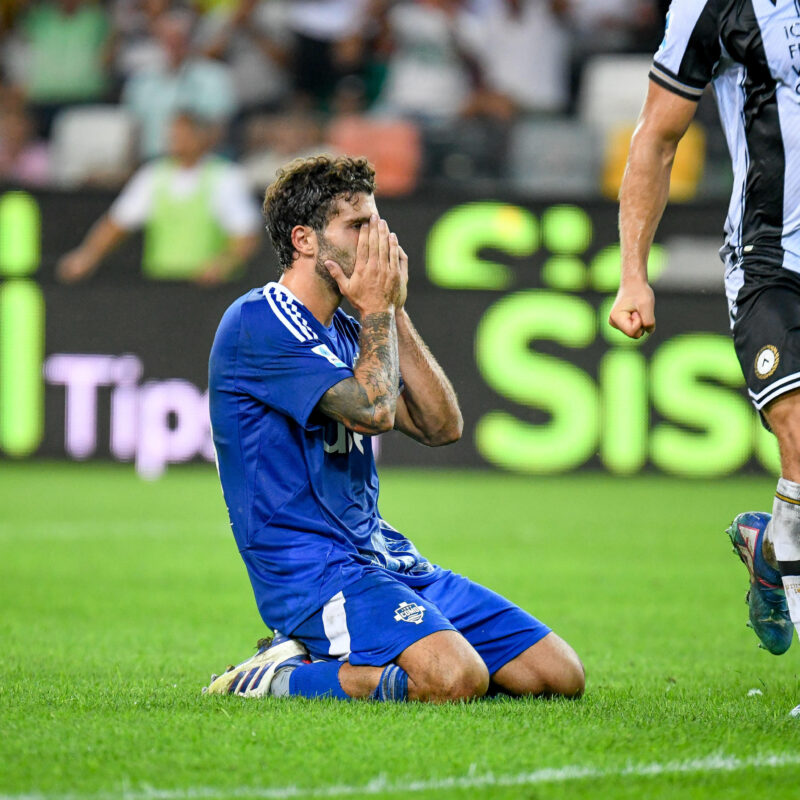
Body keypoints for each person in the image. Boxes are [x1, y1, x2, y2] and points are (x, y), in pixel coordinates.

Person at [204, 155, 585, 702]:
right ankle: (275, 677)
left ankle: (339, 656)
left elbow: (442, 425)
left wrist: (395, 310)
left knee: (557, 676)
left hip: (380, 554)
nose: (376, 237)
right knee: (454, 679)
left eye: (377, 221)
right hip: (311, 572)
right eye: (357, 225)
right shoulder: (260, 319)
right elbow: (374, 411)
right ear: (305, 239)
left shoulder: (348, 326)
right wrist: (378, 310)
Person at [608, 1, 800, 717]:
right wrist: (634, 271)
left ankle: (772, 550)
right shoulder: (713, 6)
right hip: (772, 265)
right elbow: (656, 139)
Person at [57, 111, 261, 285]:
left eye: (185, 133)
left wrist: (224, 264)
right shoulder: (152, 176)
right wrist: (88, 255)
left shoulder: (225, 178)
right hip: (160, 290)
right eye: (175, 134)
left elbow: (245, 235)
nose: (178, 140)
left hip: (210, 292)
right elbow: (117, 223)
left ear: (203, 137)